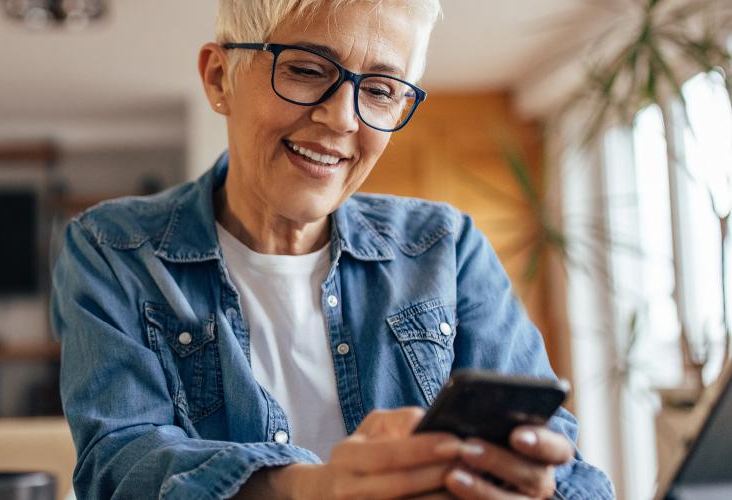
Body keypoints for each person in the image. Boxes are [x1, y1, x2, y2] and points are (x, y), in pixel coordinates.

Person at [50, 0, 615, 498]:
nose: (341, 118)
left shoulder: (446, 246)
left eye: (380, 90)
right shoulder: (113, 250)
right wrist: (311, 488)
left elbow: (568, 469)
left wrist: (534, 486)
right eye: (304, 69)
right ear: (220, 77)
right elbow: (120, 466)